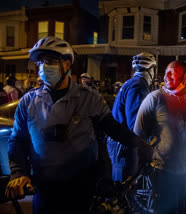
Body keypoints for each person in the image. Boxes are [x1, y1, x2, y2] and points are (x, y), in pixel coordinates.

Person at [4, 36, 153, 214]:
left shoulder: (89, 98)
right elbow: (17, 140)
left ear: (66, 64)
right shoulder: (28, 101)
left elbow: (113, 128)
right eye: (40, 63)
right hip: (44, 190)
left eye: (50, 61)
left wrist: (140, 144)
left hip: (82, 189)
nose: (43, 67)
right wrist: (18, 173)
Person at [134, 60, 186, 214]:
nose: (165, 76)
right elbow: (138, 133)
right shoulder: (154, 98)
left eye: (171, 72)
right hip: (160, 172)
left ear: (185, 76)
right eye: (165, 72)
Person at [107, 52, 156, 182]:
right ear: (151, 70)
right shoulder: (139, 86)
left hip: (121, 140)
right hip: (124, 143)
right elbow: (135, 123)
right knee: (125, 185)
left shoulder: (133, 82)